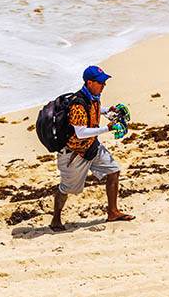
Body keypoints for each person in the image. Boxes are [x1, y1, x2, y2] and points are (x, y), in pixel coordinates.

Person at [50, 65, 134, 231]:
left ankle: (113, 212)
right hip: (74, 154)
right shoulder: (77, 104)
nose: (104, 85)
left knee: (113, 171)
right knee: (67, 189)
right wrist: (107, 128)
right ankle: (56, 219)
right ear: (89, 82)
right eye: (100, 82)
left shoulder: (93, 97)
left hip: (92, 147)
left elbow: (94, 109)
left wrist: (108, 110)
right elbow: (81, 133)